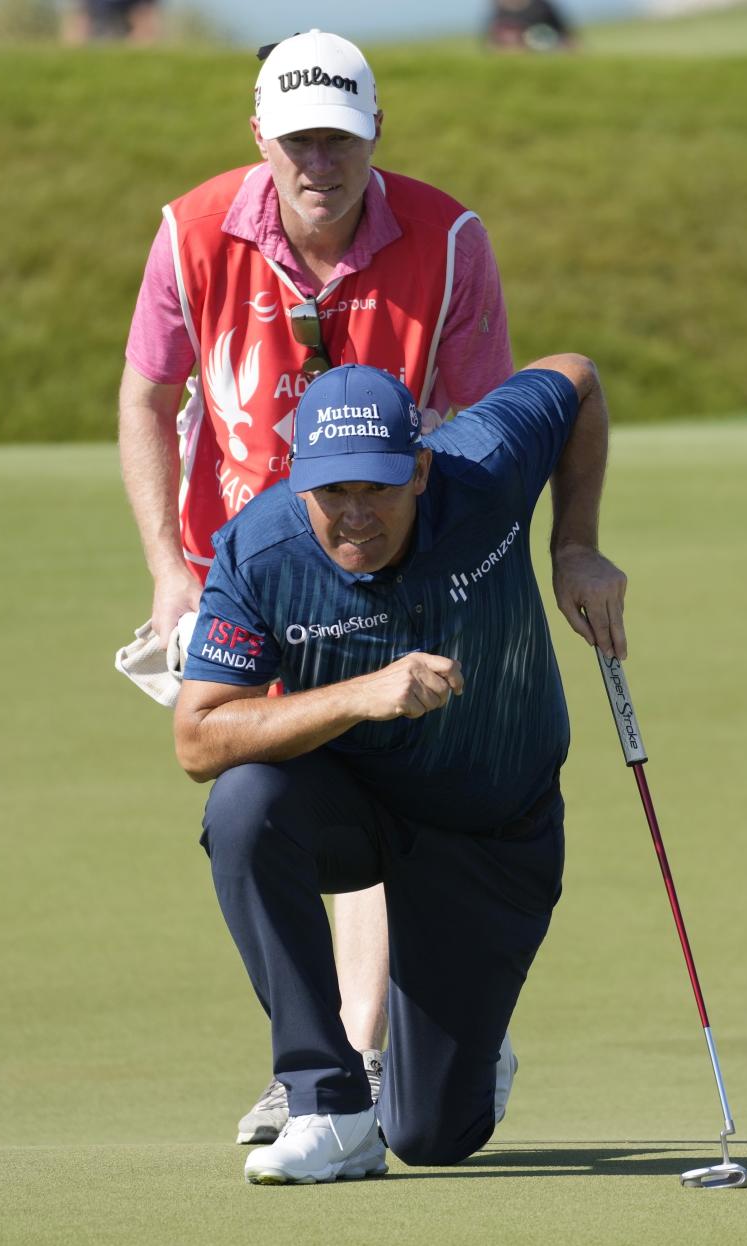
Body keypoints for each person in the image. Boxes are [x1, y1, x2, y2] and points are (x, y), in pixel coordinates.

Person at [118, 29, 514, 1143]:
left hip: (399, 571)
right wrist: (166, 570)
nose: (318, 162)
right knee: (261, 812)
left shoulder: (447, 242)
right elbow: (149, 397)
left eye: (339, 136)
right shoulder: (191, 235)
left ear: (373, 132)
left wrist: (481, 586)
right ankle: (331, 1061)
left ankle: (361, 1053)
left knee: (378, 810)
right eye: (297, 140)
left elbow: (484, 432)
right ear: (261, 137)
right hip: (246, 582)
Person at [173, 356, 627, 1183]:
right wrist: (361, 696)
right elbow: (198, 738)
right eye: (331, 492)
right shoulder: (260, 551)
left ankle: (462, 1051)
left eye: (378, 489)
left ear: (420, 468)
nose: (354, 516)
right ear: (298, 480)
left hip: (492, 826)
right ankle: (329, 1102)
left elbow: (578, 377)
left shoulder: (485, 462)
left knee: (430, 1136)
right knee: (246, 806)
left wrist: (575, 544)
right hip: (357, 807)